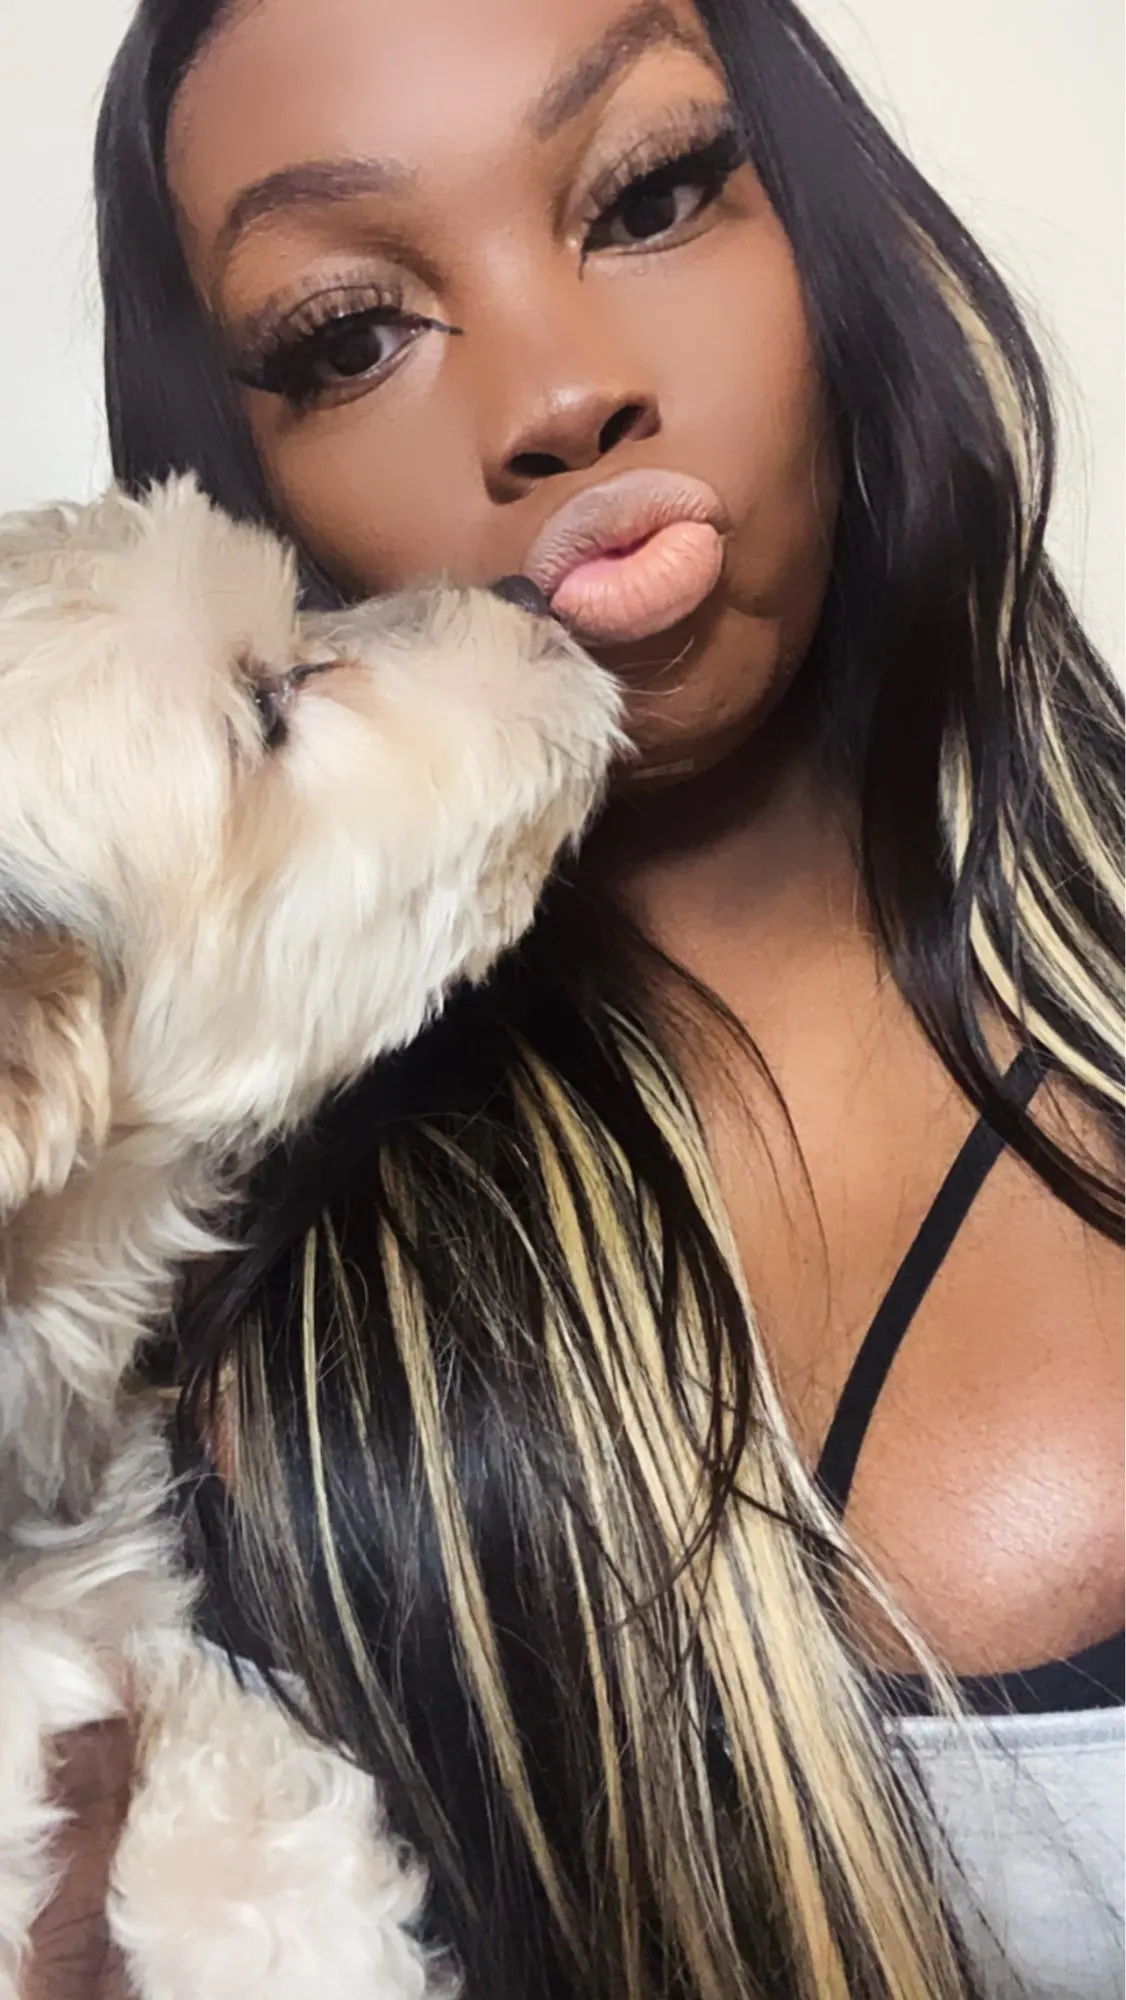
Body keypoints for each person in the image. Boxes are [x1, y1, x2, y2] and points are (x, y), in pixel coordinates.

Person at [45, 0, 1119, 1994]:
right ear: (238, 492)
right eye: (349, 337)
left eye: (648, 195)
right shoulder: (169, 1389)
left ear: (832, 233)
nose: (555, 396)